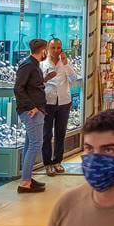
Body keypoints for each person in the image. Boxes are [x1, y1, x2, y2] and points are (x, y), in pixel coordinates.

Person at [15, 38, 49, 194]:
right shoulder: (28, 65)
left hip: (37, 110)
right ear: (43, 50)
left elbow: (31, 86)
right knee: (35, 144)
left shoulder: (33, 65)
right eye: (46, 50)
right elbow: (18, 88)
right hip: (31, 112)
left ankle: (27, 177)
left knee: (30, 144)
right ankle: (25, 182)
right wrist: (32, 107)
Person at [41, 38, 77, 176]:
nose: (56, 51)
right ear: (48, 49)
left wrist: (67, 64)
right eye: (53, 48)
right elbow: (38, 83)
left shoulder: (66, 64)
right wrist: (46, 79)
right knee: (46, 134)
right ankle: (47, 163)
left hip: (63, 102)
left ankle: (57, 161)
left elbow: (73, 79)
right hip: (48, 102)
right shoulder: (42, 64)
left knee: (60, 133)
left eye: (58, 48)